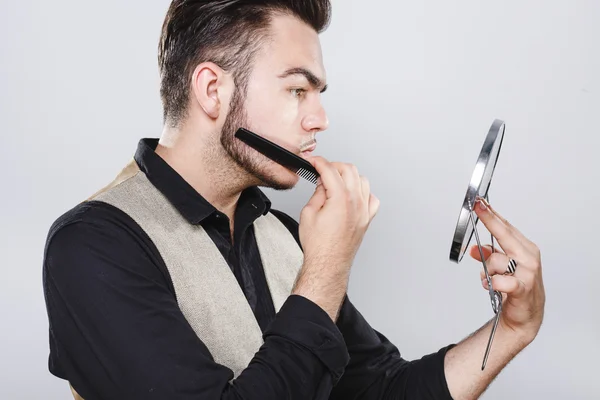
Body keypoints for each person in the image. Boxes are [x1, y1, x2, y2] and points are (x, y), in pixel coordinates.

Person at [42, 1, 546, 399]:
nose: (320, 119)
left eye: (318, 92)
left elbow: (381, 390)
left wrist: (511, 330)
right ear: (212, 90)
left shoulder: (280, 236)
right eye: (297, 91)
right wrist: (327, 269)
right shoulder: (93, 246)